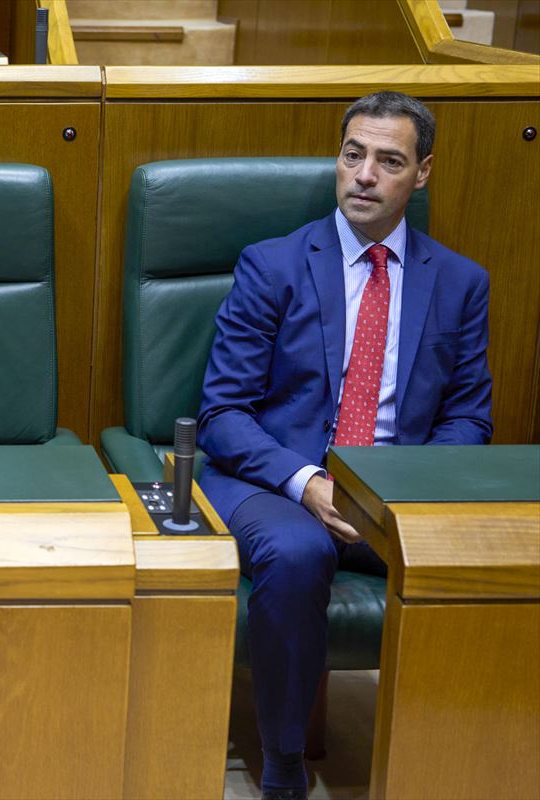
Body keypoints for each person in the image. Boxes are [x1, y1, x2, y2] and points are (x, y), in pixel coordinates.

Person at [197, 91, 492, 800]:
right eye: (353, 154)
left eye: (389, 161)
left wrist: (391, 492)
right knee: (297, 552)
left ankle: (454, 758)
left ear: (421, 174)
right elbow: (223, 412)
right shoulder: (273, 265)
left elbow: (468, 419)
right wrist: (310, 484)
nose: (364, 174)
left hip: (393, 488)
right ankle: (284, 765)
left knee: (490, 553)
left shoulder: (459, 282)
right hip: (275, 478)